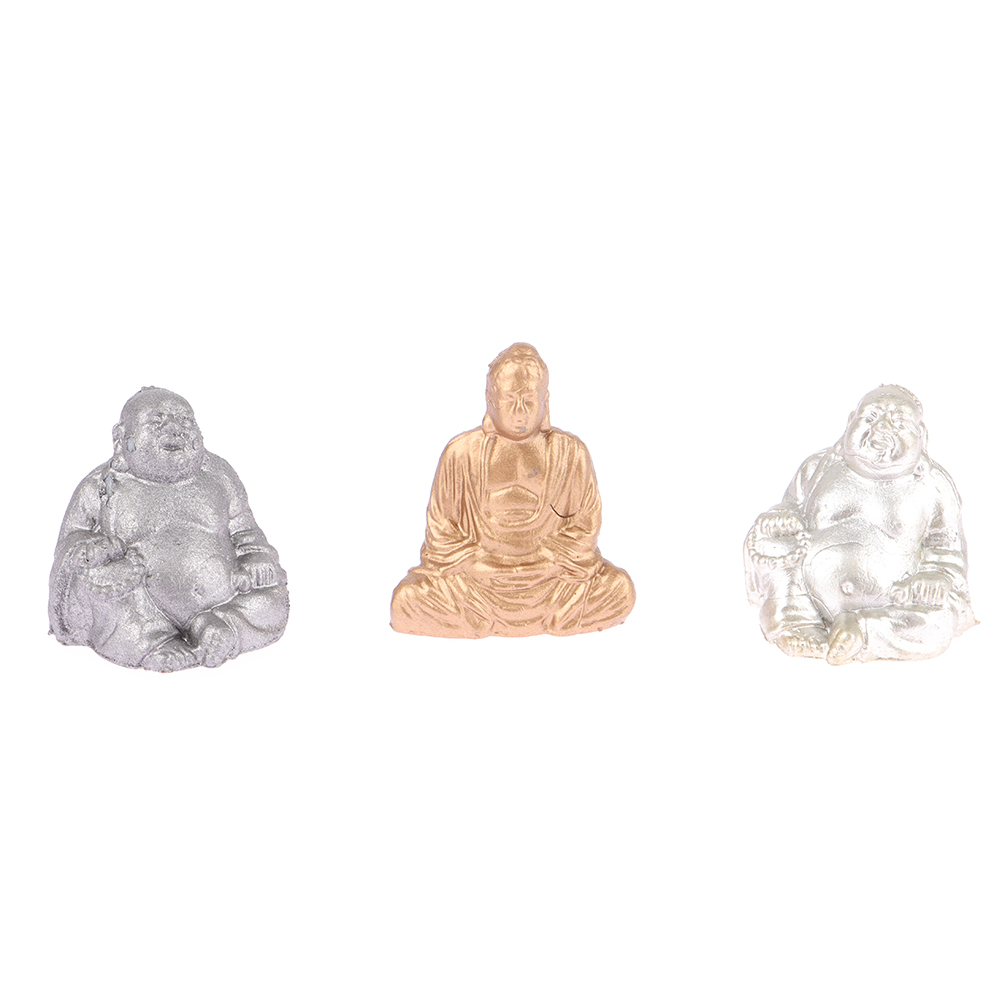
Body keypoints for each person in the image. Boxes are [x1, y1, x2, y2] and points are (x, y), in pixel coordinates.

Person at [392, 344, 635, 638]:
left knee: (620, 589)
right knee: (407, 600)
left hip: (551, 582)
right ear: (490, 399)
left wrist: (548, 560)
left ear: (545, 400)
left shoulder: (570, 453)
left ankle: (519, 618)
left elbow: (586, 526)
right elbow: (441, 530)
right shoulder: (461, 454)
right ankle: (497, 617)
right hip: (477, 584)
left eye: (529, 400)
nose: (520, 413)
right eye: (510, 400)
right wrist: (477, 563)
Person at [49, 387, 289, 670]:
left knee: (273, 598)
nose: (175, 430)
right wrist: (90, 549)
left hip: (224, 595)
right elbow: (70, 542)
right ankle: (153, 642)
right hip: (139, 607)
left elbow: (245, 531)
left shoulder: (219, 475)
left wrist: (257, 558)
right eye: (157, 422)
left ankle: (223, 627)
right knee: (97, 585)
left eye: (186, 420)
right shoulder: (102, 486)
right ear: (121, 438)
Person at [745, 385, 974, 663]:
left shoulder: (934, 486)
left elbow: (947, 551)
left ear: (922, 436)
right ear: (850, 422)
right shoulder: (818, 466)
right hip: (808, 590)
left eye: (899, 423)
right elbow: (791, 508)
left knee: (939, 623)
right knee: (766, 539)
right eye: (870, 417)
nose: (882, 428)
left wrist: (936, 577)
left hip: (893, 601)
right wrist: (780, 517)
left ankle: (864, 632)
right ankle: (796, 621)